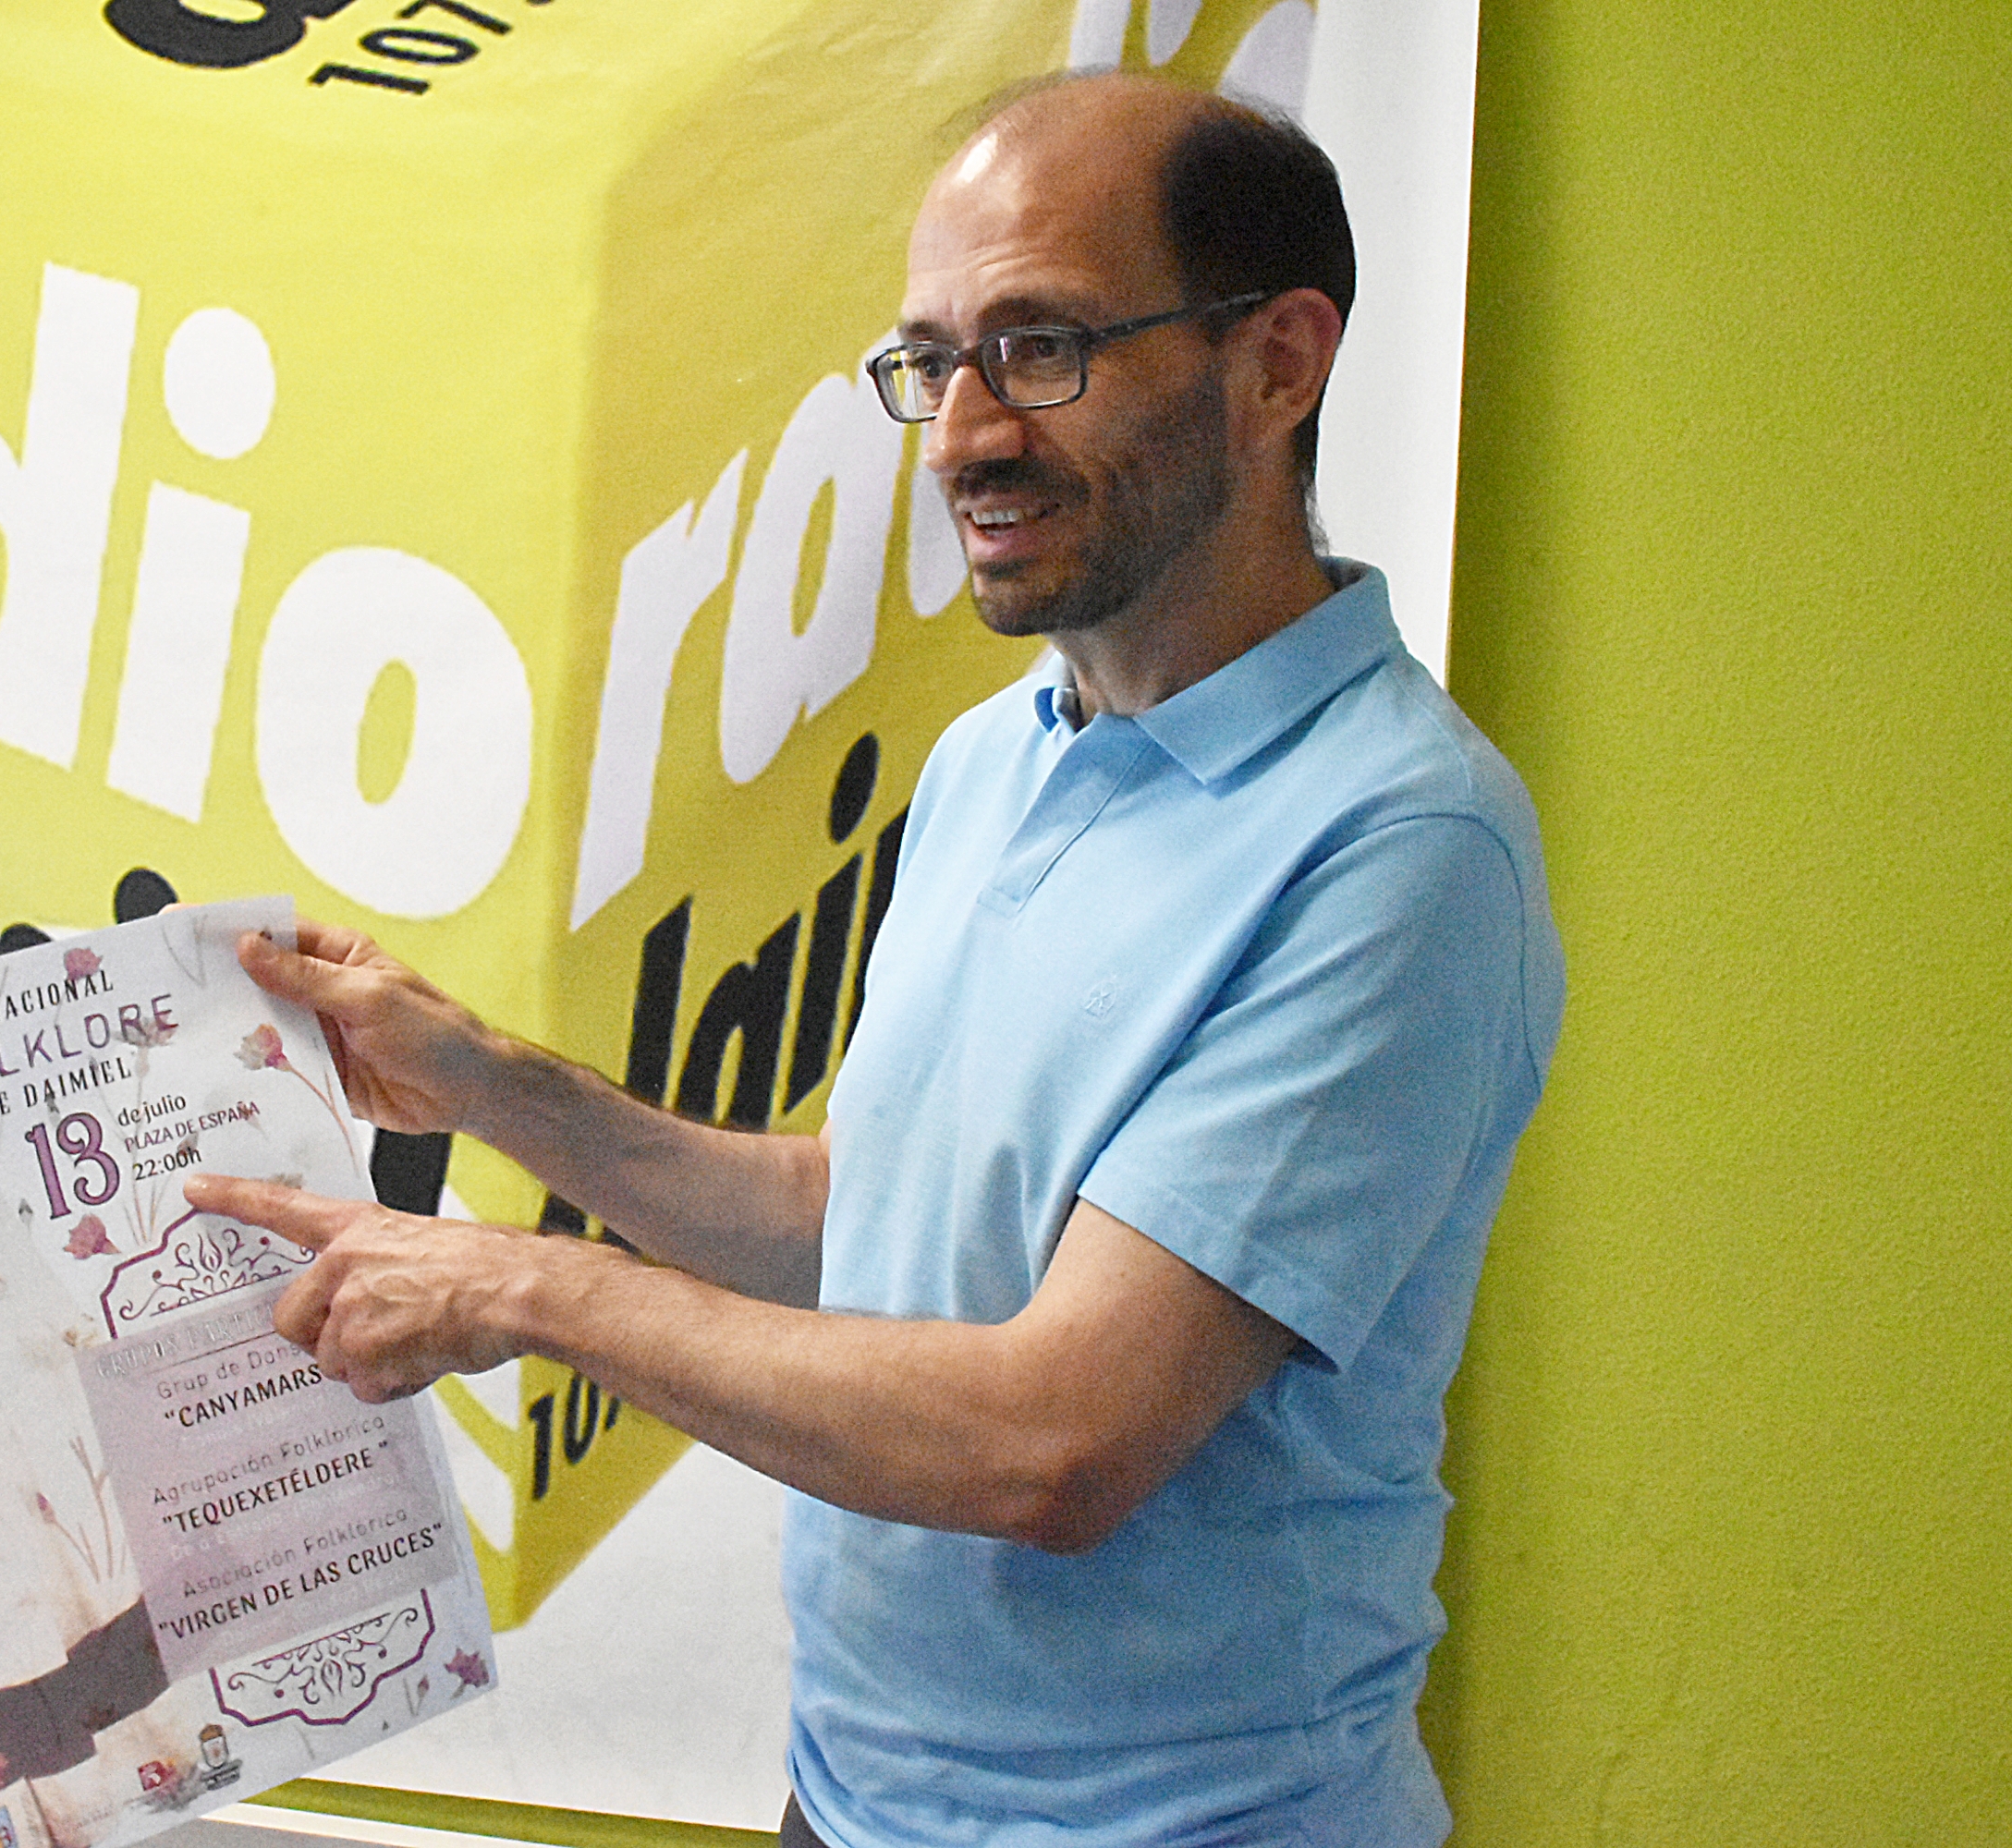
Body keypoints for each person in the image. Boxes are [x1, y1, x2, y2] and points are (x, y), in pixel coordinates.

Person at [186, 73, 1562, 1848]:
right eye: (929, 361)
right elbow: (863, 1226)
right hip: (853, 1808)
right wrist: (482, 1079)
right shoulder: (1000, 755)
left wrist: (517, 1291)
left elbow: (1054, 1442)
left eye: (1041, 349)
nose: (962, 434)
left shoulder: (1400, 846)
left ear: (1278, 363)